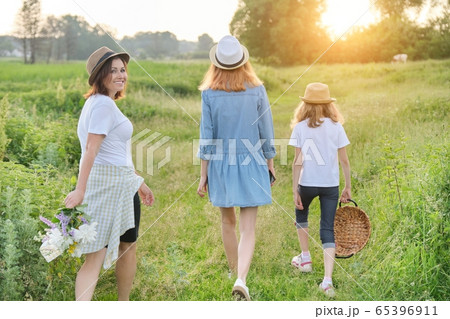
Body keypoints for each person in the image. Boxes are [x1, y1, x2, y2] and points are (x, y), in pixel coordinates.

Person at [64, 46, 154, 301]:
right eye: (112, 70)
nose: (120, 75)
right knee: (106, 253)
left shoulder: (97, 102)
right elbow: (91, 149)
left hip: (122, 184)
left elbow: (114, 152)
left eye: (122, 70)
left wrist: (139, 182)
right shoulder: (103, 105)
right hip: (111, 189)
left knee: (118, 249)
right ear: (100, 75)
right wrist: (80, 190)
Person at [196, 35, 276, 301]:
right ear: (243, 61)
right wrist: (270, 162)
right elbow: (266, 130)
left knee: (227, 221)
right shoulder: (257, 89)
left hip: (221, 164)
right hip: (251, 161)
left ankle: (235, 273)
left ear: (216, 64)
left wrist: (203, 175)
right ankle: (242, 277)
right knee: (248, 227)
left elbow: (206, 136)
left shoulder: (208, 94)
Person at [289, 82, 351, 298]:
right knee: (327, 229)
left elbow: (298, 161)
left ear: (305, 104)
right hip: (330, 185)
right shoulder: (336, 127)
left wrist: (295, 189)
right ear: (328, 105)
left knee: (301, 214)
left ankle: (305, 258)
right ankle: (327, 282)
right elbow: (344, 160)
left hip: (307, 182)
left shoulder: (300, 127)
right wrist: (348, 186)